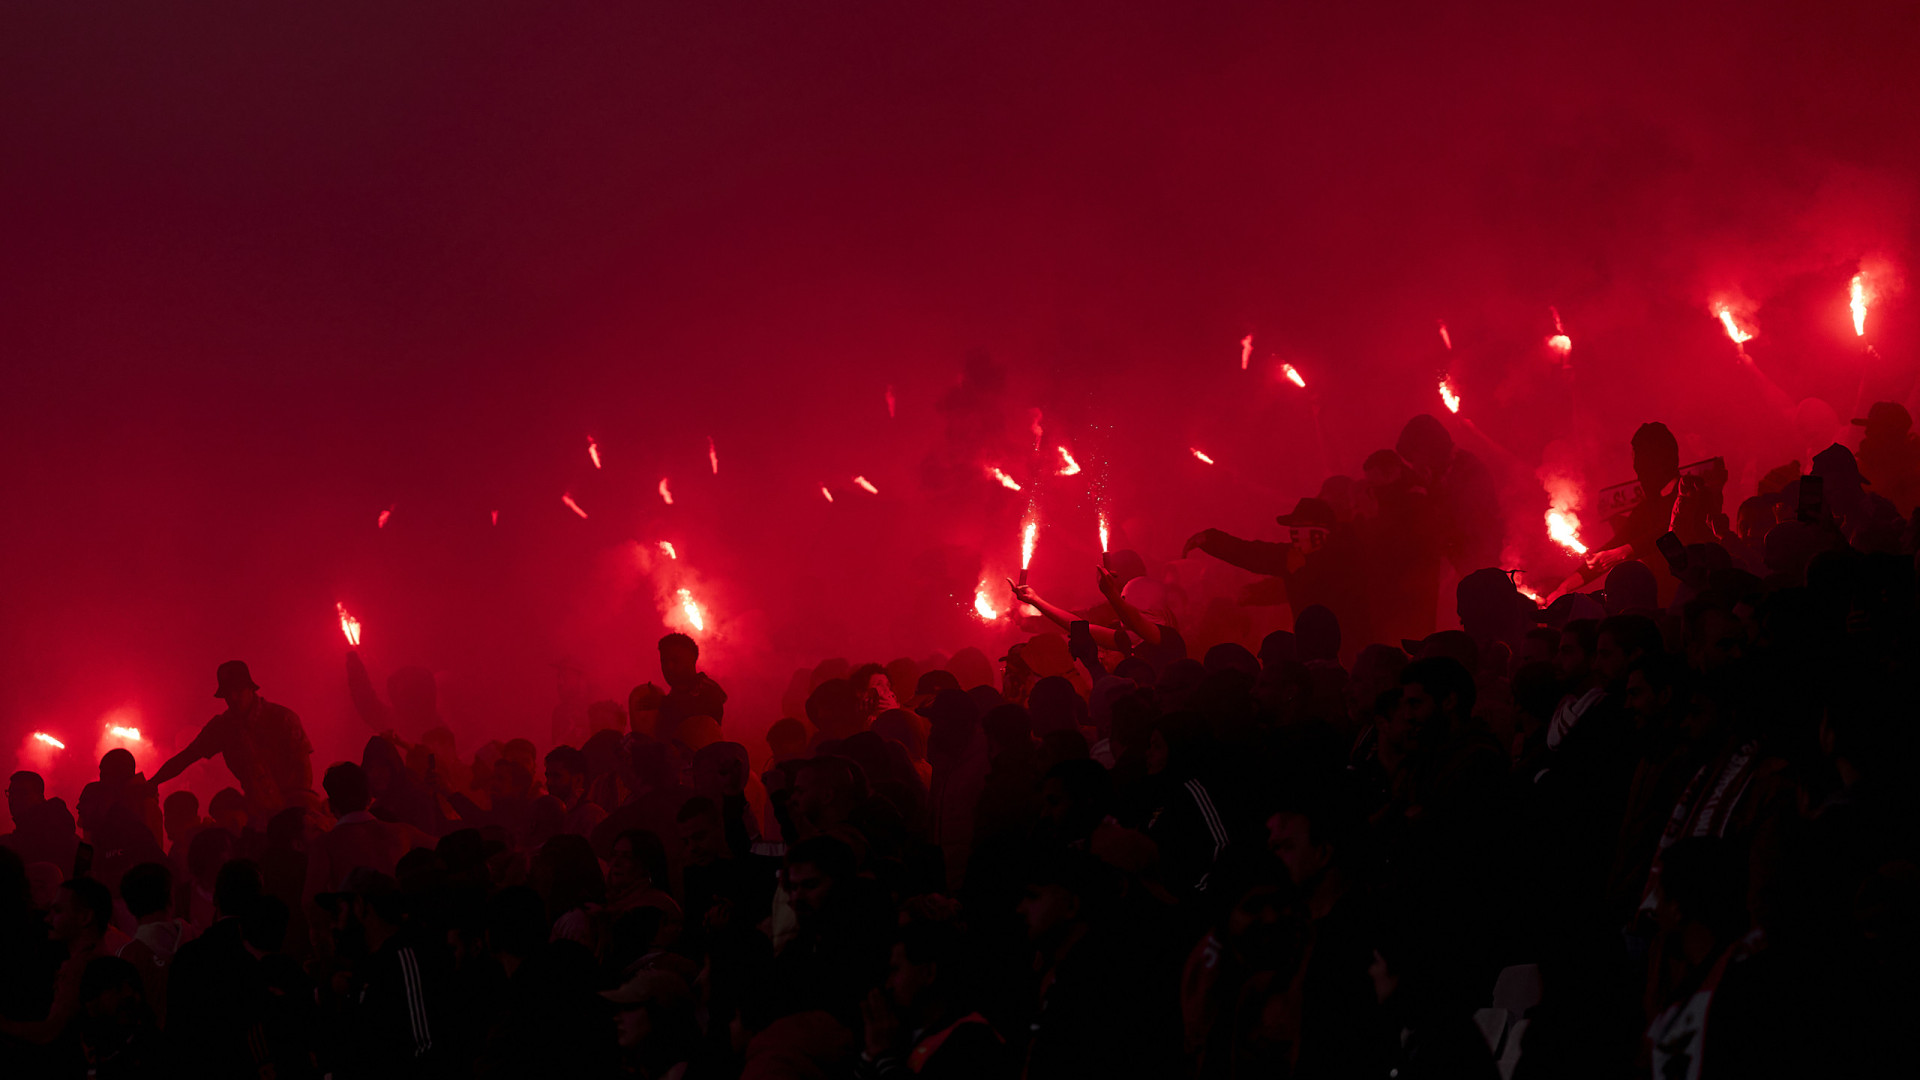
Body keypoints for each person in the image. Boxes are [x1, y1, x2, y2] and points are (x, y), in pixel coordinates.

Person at [149, 660, 315, 819]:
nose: (233, 698)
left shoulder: (282, 719)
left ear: (250, 689)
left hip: (295, 808)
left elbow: (303, 768)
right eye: (228, 694)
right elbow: (186, 757)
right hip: (258, 811)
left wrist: (296, 810)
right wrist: (153, 782)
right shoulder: (223, 728)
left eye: (238, 691)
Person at [0, 875, 121, 1045]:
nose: (47, 919)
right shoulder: (97, 958)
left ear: (85, 917)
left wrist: (5, 1025)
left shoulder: (81, 968)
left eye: (57, 911)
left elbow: (50, 1032)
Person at [654, 633, 727, 743]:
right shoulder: (669, 699)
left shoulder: (708, 690)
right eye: (664, 662)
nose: (669, 667)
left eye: (675, 660)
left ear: (693, 658)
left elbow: (700, 716)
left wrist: (663, 704)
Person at [3, 770, 79, 871]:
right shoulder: (60, 825)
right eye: (11, 793)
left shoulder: (53, 834)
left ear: (40, 796)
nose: (13, 798)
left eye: (22, 793)